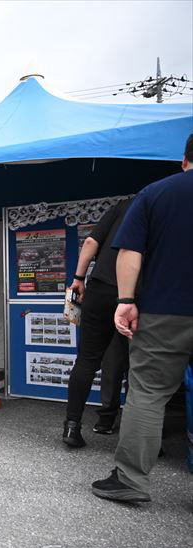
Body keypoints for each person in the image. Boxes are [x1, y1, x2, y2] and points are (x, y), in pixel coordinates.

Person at [91, 134, 193, 503]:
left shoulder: (155, 194)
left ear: (185, 160)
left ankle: (131, 481)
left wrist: (126, 300)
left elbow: (129, 252)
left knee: (148, 394)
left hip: (165, 311)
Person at [62, 198, 132, 447]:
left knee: (88, 359)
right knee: (137, 364)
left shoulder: (123, 205)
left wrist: (78, 278)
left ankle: (72, 426)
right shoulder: (160, 205)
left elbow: (91, 241)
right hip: (136, 293)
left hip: (100, 287)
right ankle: (142, 439)